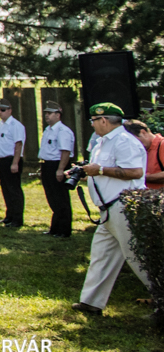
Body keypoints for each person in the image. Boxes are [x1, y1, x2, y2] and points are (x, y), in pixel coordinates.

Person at [73, 103, 149, 317]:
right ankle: (91, 302)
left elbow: (135, 172)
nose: (93, 125)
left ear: (103, 120)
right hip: (109, 209)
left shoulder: (125, 142)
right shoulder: (101, 143)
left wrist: (101, 170)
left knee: (138, 257)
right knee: (102, 254)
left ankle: (160, 296)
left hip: (125, 206)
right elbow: (101, 172)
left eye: (94, 121)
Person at [37, 102, 75, 237]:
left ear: (58, 115)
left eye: (49, 113)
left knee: (60, 197)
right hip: (48, 165)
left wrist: (60, 169)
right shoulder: (48, 130)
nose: (46, 116)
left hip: (58, 164)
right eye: (46, 113)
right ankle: (55, 228)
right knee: (52, 197)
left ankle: (64, 230)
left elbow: (65, 151)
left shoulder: (63, 131)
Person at [0, 100, 27, 228]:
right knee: (6, 189)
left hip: (11, 159)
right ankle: (9, 215)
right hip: (2, 160)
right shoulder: (1, 125)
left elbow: (18, 144)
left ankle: (17, 219)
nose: (0, 112)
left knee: (14, 189)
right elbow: (0, 143)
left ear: (10, 110)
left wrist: (15, 163)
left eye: (3, 110)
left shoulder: (15, 125)